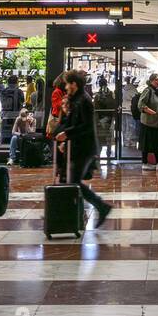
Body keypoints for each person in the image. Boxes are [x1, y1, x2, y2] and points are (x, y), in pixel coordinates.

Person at [53, 70, 112, 228]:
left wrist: (67, 134)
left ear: (74, 84)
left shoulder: (84, 100)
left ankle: (100, 207)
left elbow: (86, 126)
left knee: (74, 181)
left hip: (84, 149)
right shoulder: (77, 99)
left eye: (67, 83)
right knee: (71, 180)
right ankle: (76, 215)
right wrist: (67, 138)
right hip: (78, 147)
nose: (65, 87)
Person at [138, 72, 158, 171]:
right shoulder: (148, 91)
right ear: (151, 81)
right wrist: (149, 110)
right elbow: (140, 104)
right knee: (148, 143)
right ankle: (148, 163)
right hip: (149, 122)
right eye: (156, 80)